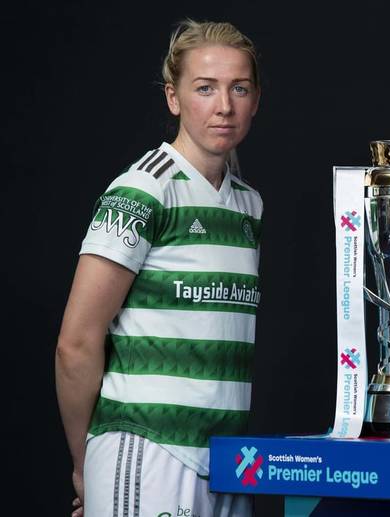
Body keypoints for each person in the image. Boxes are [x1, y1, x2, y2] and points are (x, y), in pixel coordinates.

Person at [55, 19, 262, 517]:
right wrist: (85, 463)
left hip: (228, 461)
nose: (224, 105)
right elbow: (76, 343)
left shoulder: (249, 205)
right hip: (149, 451)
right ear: (174, 98)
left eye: (239, 88)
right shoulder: (143, 190)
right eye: (205, 88)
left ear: (256, 99)